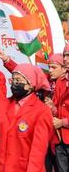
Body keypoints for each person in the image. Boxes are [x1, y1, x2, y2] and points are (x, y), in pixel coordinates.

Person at [53, 44, 69, 172]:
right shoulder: (61, 81)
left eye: (68, 56)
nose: (65, 59)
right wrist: (51, 108)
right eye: (64, 55)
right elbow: (57, 107)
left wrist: (62, 122)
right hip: (60, 139)